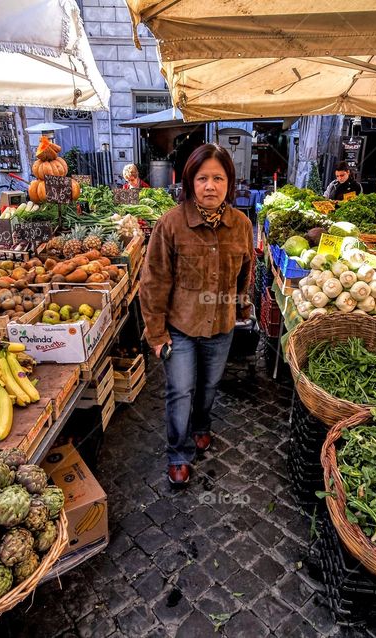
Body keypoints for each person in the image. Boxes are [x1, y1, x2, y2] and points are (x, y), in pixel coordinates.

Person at [140, 144, 255, 487]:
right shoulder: (171, 225)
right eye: (202, 178)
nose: (210, 186)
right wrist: (156, 336)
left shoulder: (241, 225)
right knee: (180, 390)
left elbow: (245, 271)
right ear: (189, 182)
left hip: (221, 327)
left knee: (208, 387)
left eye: (218, 178)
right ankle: (178, 453)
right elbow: (153, 282)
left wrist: (239, 305)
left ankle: (202, 426)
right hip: (181, 328)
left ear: (228, 183)